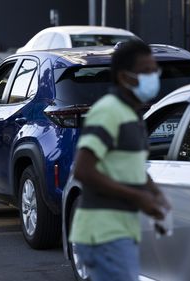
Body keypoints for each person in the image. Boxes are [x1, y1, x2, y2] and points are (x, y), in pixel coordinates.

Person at [69, 40, 171, 281]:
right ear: (125, 78)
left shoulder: (132, 114)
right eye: (146, 71)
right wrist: (138, 197)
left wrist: (156, 194)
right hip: (103, 234)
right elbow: (83, 169)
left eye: (154, 70)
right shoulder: (108, 111)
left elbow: (130, 167)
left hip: (120, 232)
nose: (153, 76)